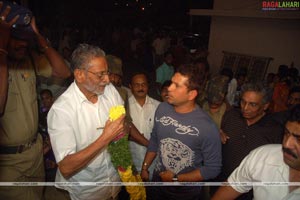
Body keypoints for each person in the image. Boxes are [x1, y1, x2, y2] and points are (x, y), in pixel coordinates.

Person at [0, 2, 71, 200]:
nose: (22, 43)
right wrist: (2, 50)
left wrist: (39, 37)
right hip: (8, 163)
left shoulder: (29, 59)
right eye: (15, 38)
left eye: (25, 38)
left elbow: (63, 72)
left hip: (35, 154)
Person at [47, 44, 126, 200]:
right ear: (79, 75)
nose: (107, 79)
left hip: (115, 184)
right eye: (100, 74)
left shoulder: (109, 90)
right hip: (88, 192)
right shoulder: (62, 110)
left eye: (107, 72)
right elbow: (66, 167)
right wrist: (105, 138)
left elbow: (123, 126)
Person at [141, 64, 222, 200]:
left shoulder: (207, 127)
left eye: (176, 86)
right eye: (171, 82)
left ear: (191, 94)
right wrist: (145, 167)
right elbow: (155, 140)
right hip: (157, 183)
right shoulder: (162, 108)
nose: (169, 88)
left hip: (185, 192)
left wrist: (176, 177)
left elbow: (213, 168)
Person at [212, 104, 300, 200]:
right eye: (286, 133)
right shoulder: (264, 155)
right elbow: (232, 187)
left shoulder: (272, 129)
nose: (287, 144)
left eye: (299, 139)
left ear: (265, 105)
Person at [217, 82, 283, 199]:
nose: (245, 108)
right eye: (243, 102)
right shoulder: (231, 116)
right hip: (220, 183)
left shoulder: (275, 130)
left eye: (252, 104)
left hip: (249, 192)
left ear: (265, 106)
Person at [128, 72, 160, 178]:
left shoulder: (158, 106)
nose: (140, 87)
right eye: (137, 85)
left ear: (148, 86)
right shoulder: (124, 107)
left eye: (143, 84)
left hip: (154, 163)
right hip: (131, 162)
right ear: (130, 87)